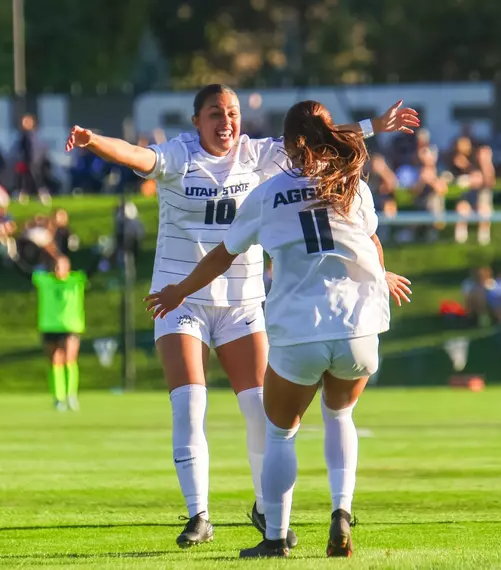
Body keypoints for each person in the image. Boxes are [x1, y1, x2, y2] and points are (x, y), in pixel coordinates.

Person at [65, 84, 419, 548]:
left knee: (261, 413)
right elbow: (135, 155)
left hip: (243, 301)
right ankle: (199, 514)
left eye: (232, 112)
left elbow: (320, 133)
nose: (226, 121)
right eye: (215, 113)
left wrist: (374, 125)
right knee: (190, 404)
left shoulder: (262, 157)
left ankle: (267, 511)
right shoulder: (178, 155)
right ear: (197, 121)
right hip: (183, 300)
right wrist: (94, 141)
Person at [32, 255, 88, 411]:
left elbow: (93, 270)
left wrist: (103, 254)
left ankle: (71, 394)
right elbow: (24, 272)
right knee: (55, 361)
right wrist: (13, 255)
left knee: (70, 358)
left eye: (60, 266)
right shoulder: (46, 281)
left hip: (70, 326)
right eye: (55, 266)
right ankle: (59, 397)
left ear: (68, 268)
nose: (57, 270)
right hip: (50, 326)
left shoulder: (75, 280)